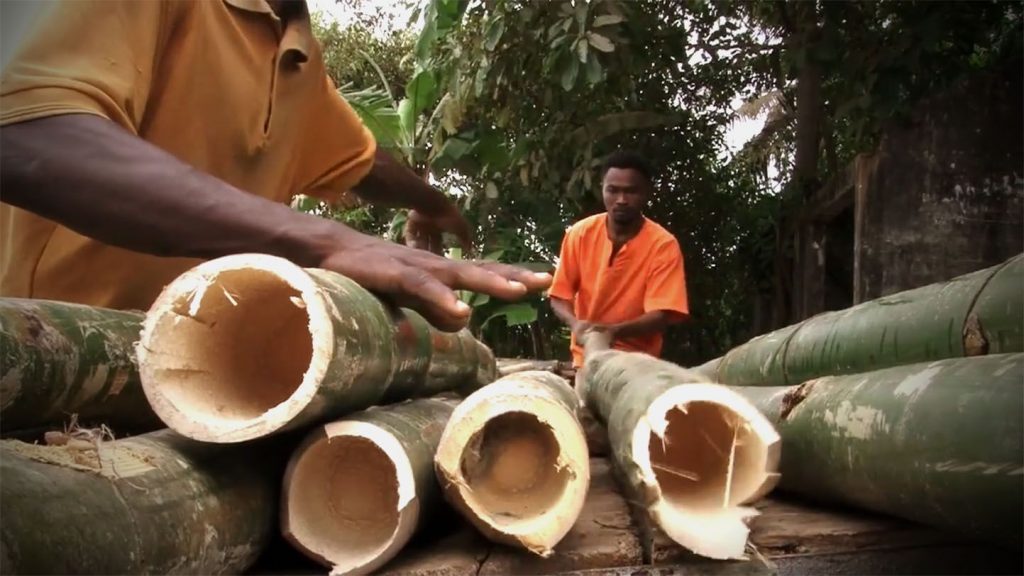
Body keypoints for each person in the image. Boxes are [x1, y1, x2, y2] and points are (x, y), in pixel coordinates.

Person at [0, 0, 549, 332]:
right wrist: (329, 243)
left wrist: (432, 203)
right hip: (55, 359)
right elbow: (27, 134)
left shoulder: (295, 52)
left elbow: (360, 161)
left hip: (197, 377)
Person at [549, 150, 689, 368]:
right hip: (586, 359)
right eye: (613, 190)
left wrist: (613, 332)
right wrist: (575, 324)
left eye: (631, 192)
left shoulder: (663, 245)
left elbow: (661, 314)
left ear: (646, 193)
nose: (621, 200)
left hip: (638, 364)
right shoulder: (580, 234)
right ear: (602, 190)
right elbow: (559, 295)